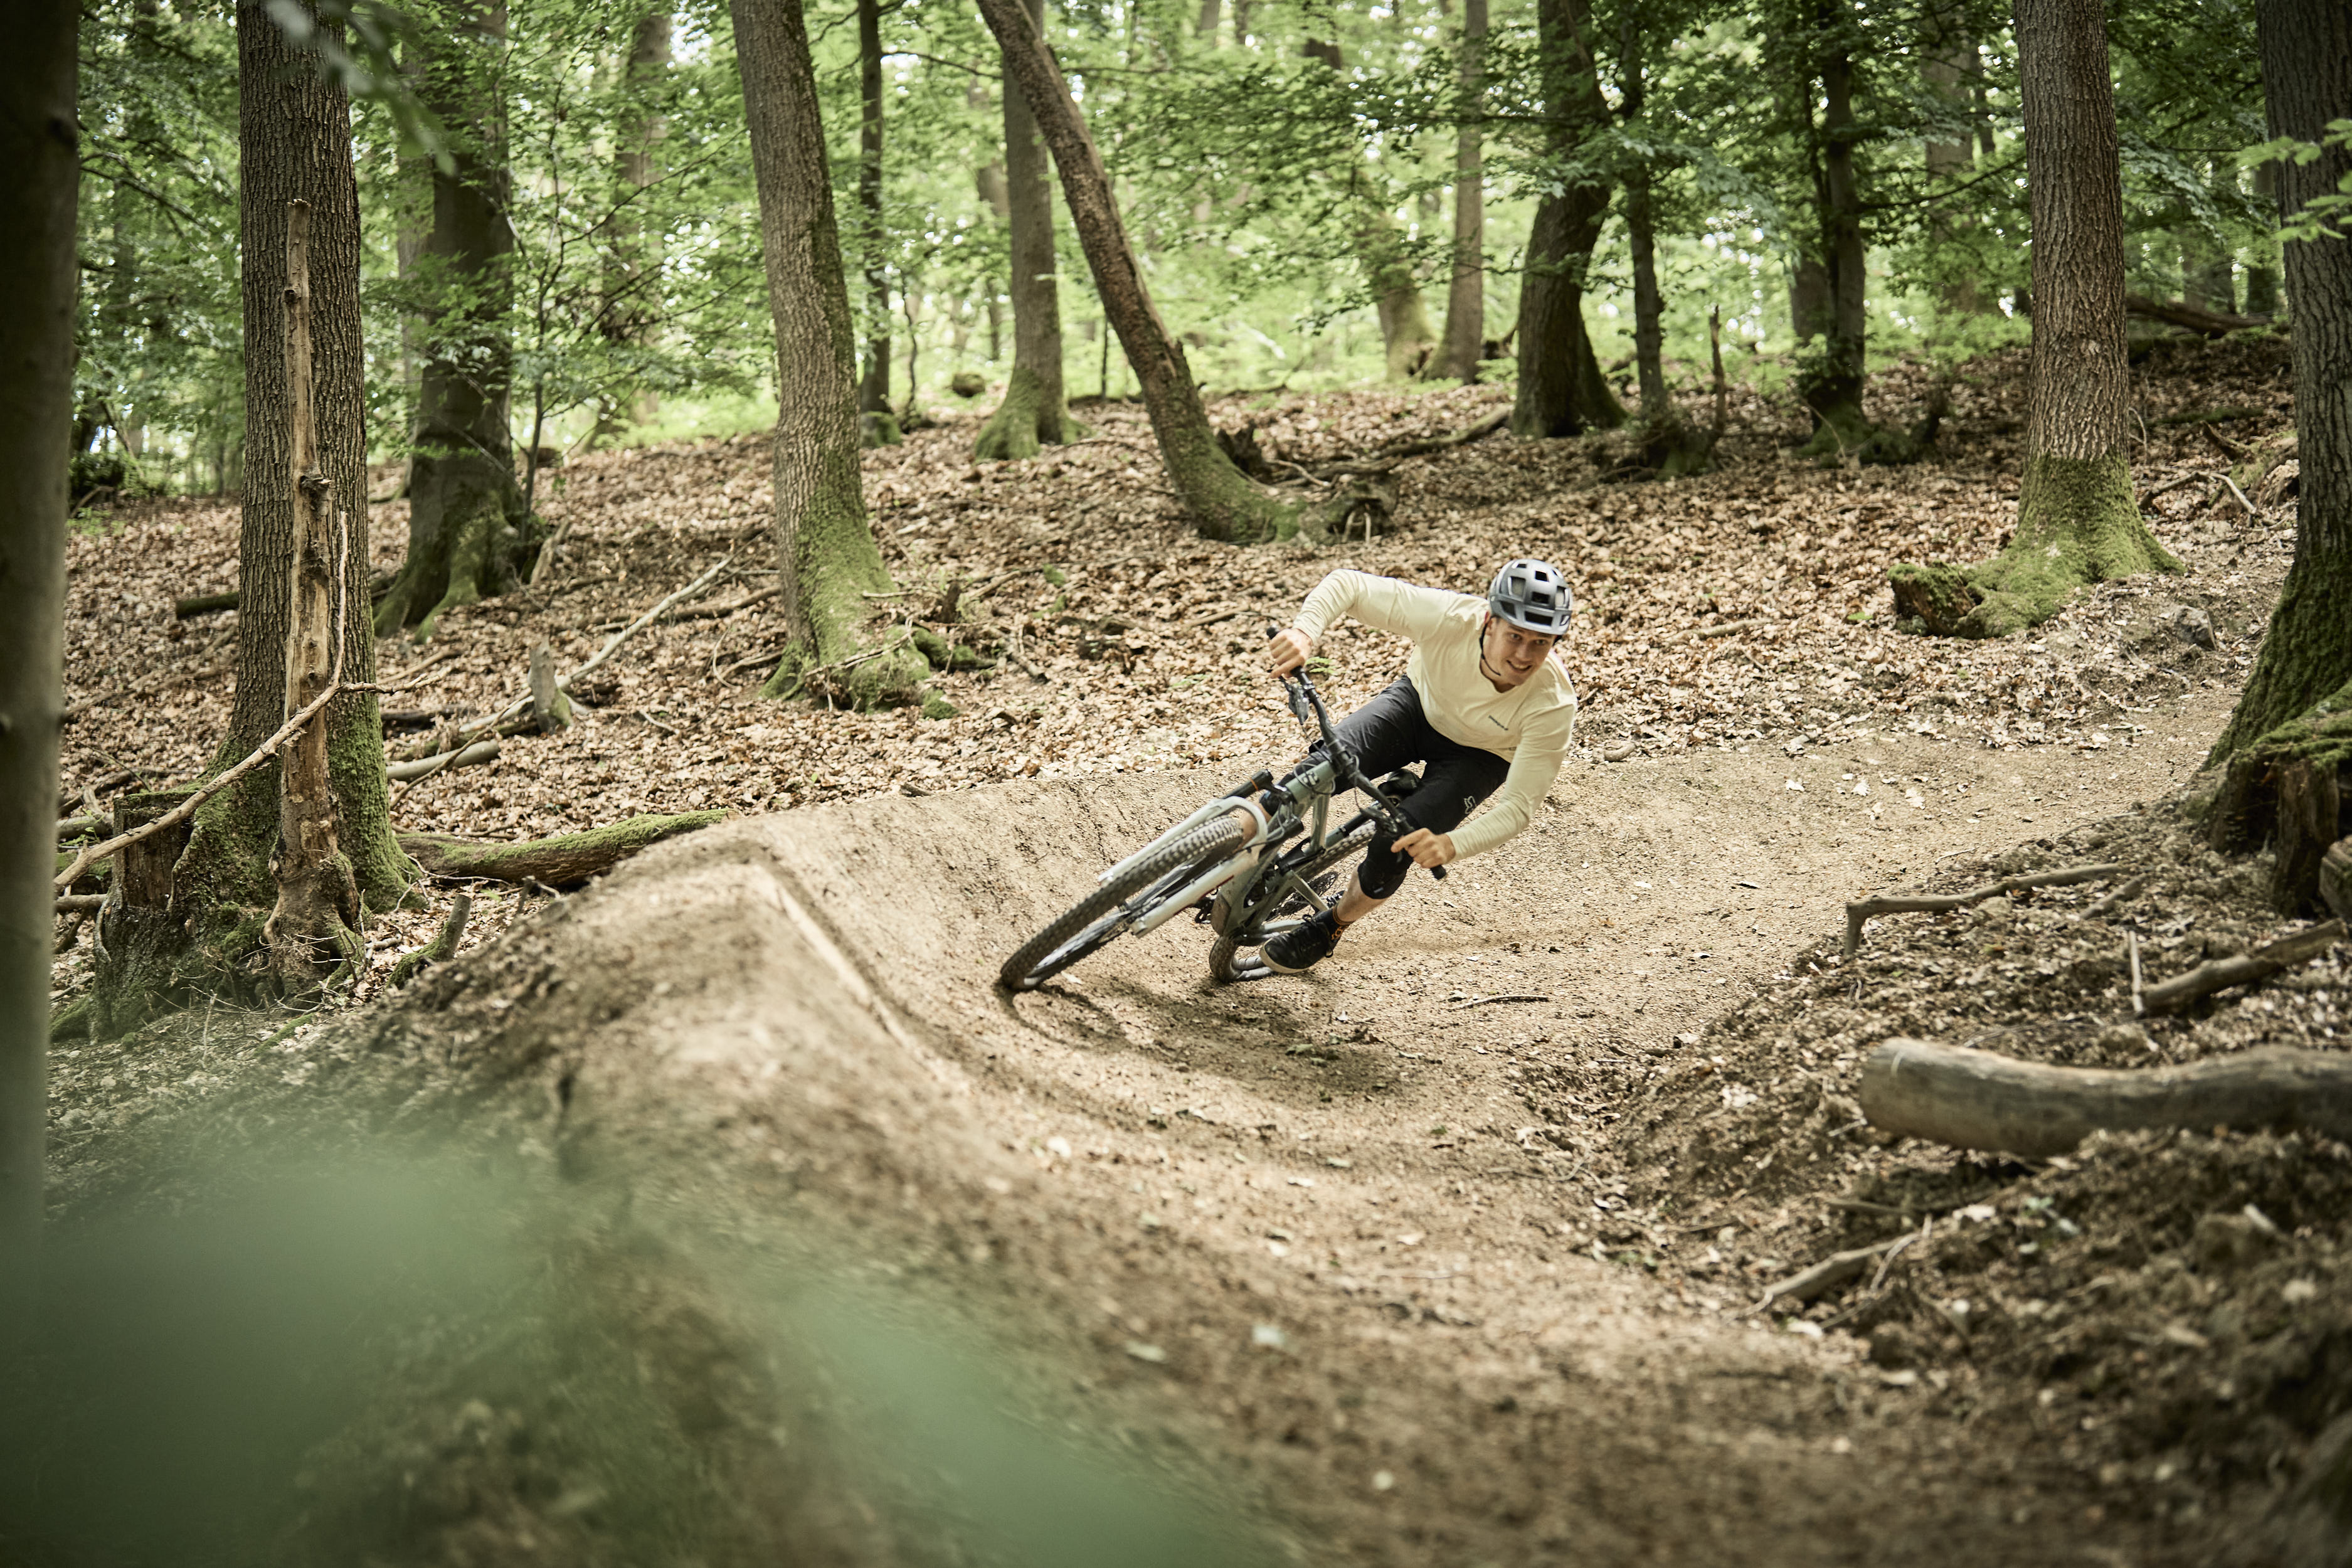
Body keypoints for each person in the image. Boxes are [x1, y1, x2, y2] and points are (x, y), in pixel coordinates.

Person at [1256, 559, 1577, 973]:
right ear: (1489, 621)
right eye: (1515, 636)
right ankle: (1232, 859)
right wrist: (1304, 631)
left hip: (1481, 756)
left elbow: (1518, 807)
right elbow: (1349, 586)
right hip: (1417, 708)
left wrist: (1451, 845)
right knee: (1318, 771)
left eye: (1540, 643)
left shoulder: (1552, 703)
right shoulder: (1450, 617)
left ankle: (1330, 926)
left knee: (1395, 847)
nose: (1523, 655)